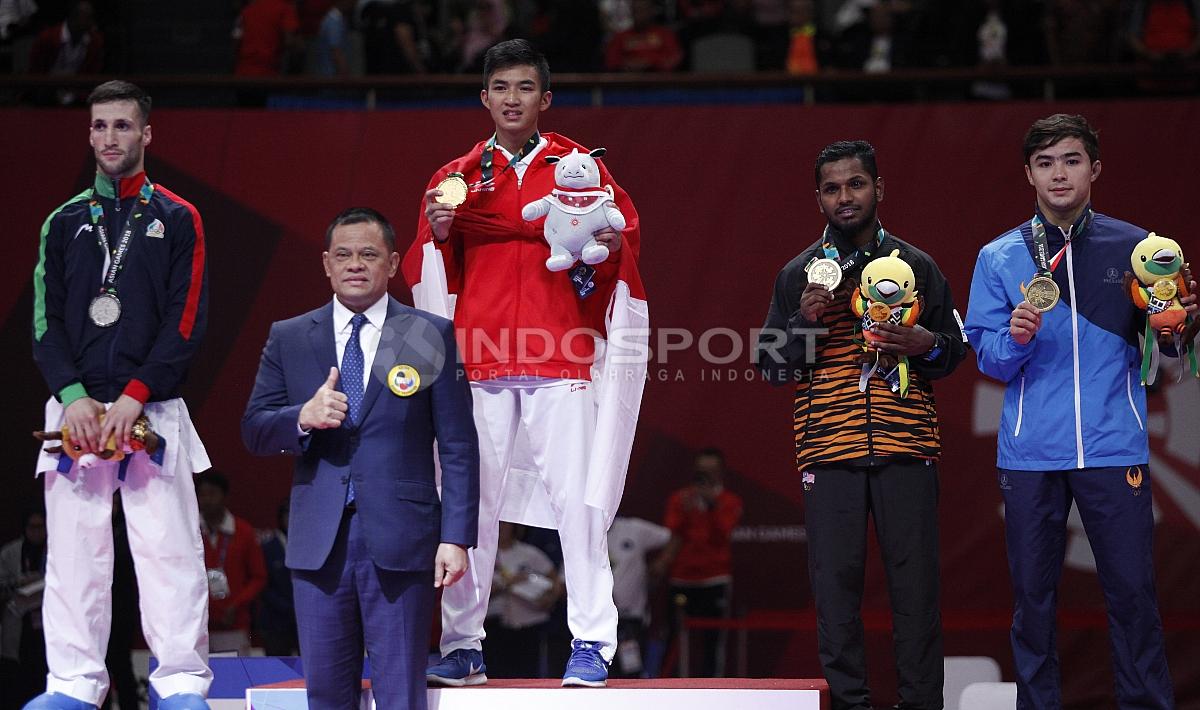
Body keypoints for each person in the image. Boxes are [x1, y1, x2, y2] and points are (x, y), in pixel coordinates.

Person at [405, 37, 647, 689]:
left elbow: (622, 240)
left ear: (546, 97)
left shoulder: (581, 168)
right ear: (484, 98)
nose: (512, 100)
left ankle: (592, 640)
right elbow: (425, 270)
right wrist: (442, 236)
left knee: (580, 503)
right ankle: (462, 645)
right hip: (479, 358)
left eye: (525, 88)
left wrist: (604, 247)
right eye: (500, 88)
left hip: (559, 352)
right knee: (470, 506)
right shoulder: (456, 175)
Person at [964, 113, 1189, 710]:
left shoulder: (1141, 249)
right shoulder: (999, 257)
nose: (1058, 173)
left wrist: (1176, 329)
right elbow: (988, 358)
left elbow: (1166, 351)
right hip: (1031, 454)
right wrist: (1013, 338)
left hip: (1115, 447)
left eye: (1069, 160)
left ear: (1095, 168)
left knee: (1134, 595)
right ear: (1029, 177)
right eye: (1045, 163)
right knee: (1032, 602)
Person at [755, 140, 966, 710]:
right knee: (836, 596)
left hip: (907, 447)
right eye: (832, 188)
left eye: (856, 184)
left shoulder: (918, 266)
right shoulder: (799, 274)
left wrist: (924, 344)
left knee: (917, 596)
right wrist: (804, 320)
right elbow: (771, 368)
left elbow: (953, 352)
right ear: (818, 197)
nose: (845, 197)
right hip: (828, 451)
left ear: (878, 188)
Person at [242, 207, 480, 710]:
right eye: (344, 255)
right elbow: (255, 430)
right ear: (326, 264)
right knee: (327, 694)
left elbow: (458, 445)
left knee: (400, 694)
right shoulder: (290, 336)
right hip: (318, 541)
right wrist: (302, 416)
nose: (356, 264)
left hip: (402, 538)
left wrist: (456, 537)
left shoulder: (426, 333)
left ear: (392, 263)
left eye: (369, 254)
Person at [28, 79, 212, 710]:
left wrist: (134, 395)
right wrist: (74, 396)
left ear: (146, 134)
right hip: (74, 413)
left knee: (169, 553)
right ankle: (74, 687)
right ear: (90, 134)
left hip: (152, 408)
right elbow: (46, 324)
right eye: (100, 126)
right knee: (76, 556)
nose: (110, 138)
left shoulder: (178, 217)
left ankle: (180, 682)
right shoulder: (64, 221)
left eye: (123, 126)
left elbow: (183, 322)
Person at [659, 448, 742, 678]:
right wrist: (688, 510)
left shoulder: (729, 501)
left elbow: (723, 533)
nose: (705, 475)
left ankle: (714, 689)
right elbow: (673, 532)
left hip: (714, 579)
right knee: (674, 637)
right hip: (682, 577)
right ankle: (668, 689)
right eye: (701, 471)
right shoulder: (680, 499)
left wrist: (711, 505)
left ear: (720, 472)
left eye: (710, 471)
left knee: (712, 640)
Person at [195, 470, 266, 656]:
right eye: (202, 494)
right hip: (197, 626)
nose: (207, 500)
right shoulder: (190, 530)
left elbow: (258, 577)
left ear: (224, 496)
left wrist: (237, 604)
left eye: (212, 494)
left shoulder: (243, 531)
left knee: (235, 680)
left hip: (234, 623)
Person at [481, 522, 563, 679]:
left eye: (505, 524)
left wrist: (547, 601)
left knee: (528, 676)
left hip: (529, 625)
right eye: (498, 524)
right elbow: (473, 593)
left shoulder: (529, 553)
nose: (502, 528)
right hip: (493, 626)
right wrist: (507, 584)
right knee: (495, 677)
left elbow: (556, 584)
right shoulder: (483, 555)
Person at [606, 514, 671, 678]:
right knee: (603, 676)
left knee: (631, 674)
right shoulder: (583, 535)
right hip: (597, 623)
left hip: (631, 618)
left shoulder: (634, 528)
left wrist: (661, 564)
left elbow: (671, 537)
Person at [1, 509, 48, 709]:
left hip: (46, 626)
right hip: (18, 624)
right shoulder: (11, 552)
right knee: (17, 685)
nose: (36, 532)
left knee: (42, 681)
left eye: (41, 527)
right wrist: (18, 583)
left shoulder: (55, 550)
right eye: (32, 527)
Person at [255, 501, 297, 657]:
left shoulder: (310, 547)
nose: (291, 519)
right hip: (275, 620)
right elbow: (263, 584)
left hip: (303, 619)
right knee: (278, 669)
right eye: (287, 515)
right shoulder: (268, 547)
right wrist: (286, 607)